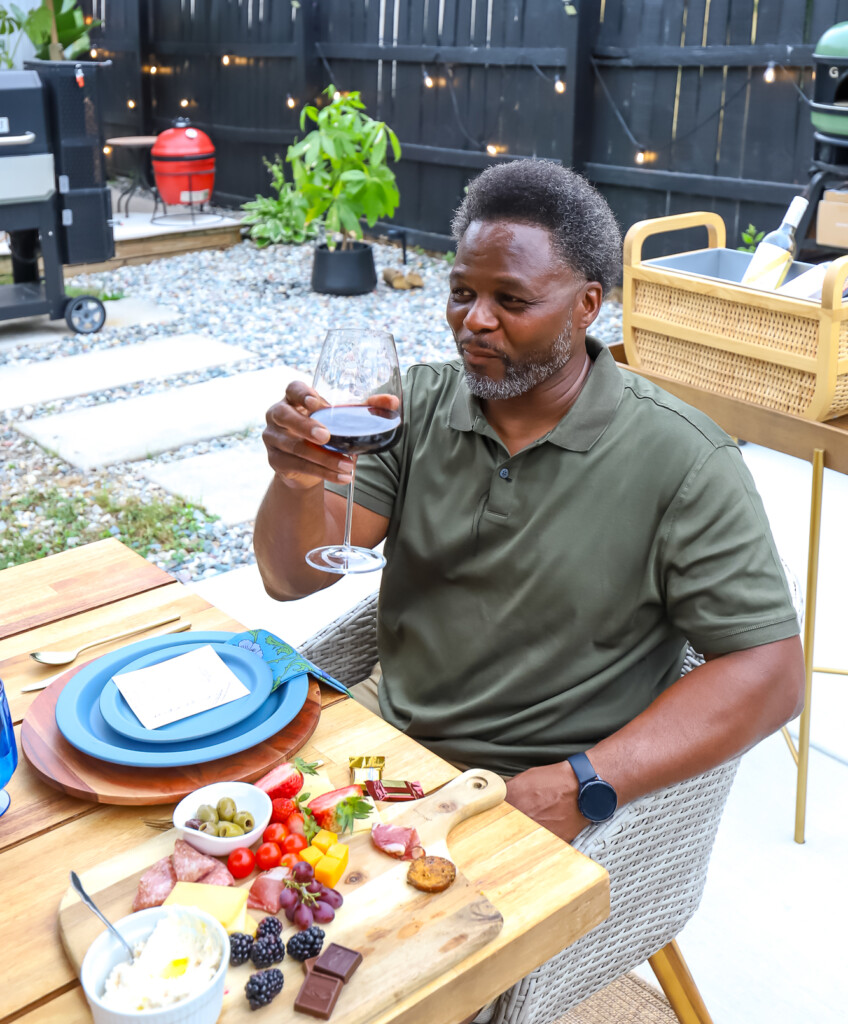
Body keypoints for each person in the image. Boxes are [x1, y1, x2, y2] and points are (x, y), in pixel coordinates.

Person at [254, 160, 804, 843]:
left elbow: (772, 673)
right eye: (461, 292)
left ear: (587, 305)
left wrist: (585, 781)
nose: (474, 321)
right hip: (380, 741)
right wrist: (297, 479)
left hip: (525, 792)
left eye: (511, 301)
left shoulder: (684, 460)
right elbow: (290, 577)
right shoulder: (413, 407)